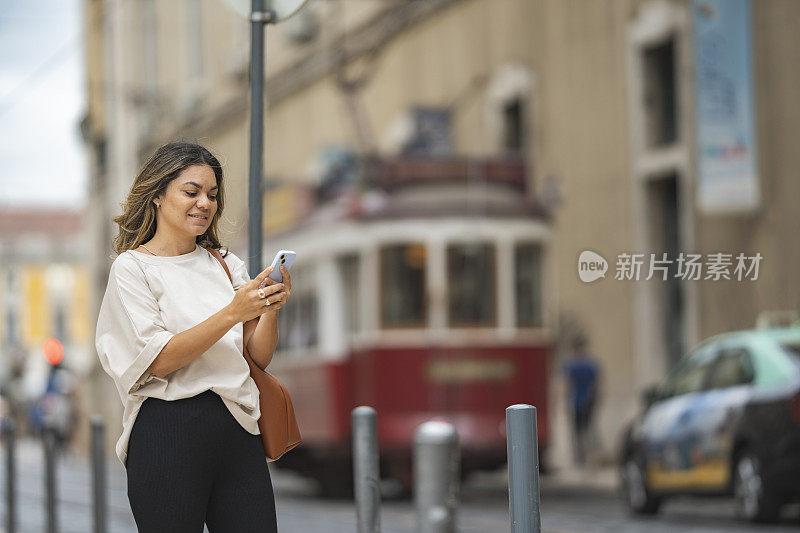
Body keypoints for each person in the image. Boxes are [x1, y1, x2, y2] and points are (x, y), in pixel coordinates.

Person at [95, 142, 291, 532]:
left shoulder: (225, 263)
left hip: (238, 429)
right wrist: (233, 312)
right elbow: (158, 359)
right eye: (191, 192)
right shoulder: (133, 269)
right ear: (156, 197)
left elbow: (258, 357)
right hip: (167, 432)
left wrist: (268, 310)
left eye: (213, 195)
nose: (205, 203)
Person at [562, 336, 600, 467]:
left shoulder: (572, 365)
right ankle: (589, 459)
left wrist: (566, 402)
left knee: (578, 432)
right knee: (588, 430)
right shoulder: (590, 365)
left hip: (577, 402)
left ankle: (580, 459)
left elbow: (568, 385)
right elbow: (596, 386)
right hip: (587, 402)